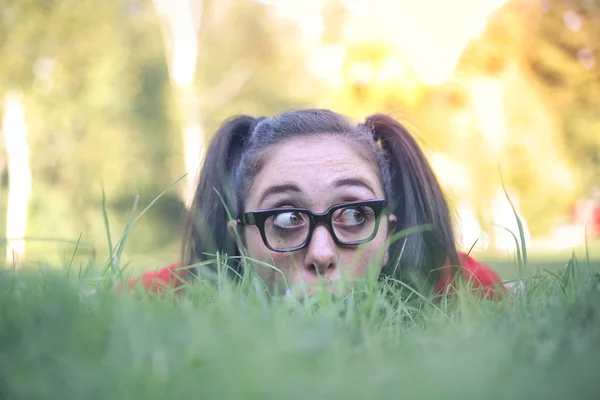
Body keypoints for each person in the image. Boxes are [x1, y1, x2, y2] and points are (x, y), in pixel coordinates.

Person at [125, 109, 506, 299]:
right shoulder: (184, 291)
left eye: (355, 215)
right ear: (240, 244)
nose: (321, 254)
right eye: (286, 218)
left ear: (388, 238)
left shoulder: (451, 285)